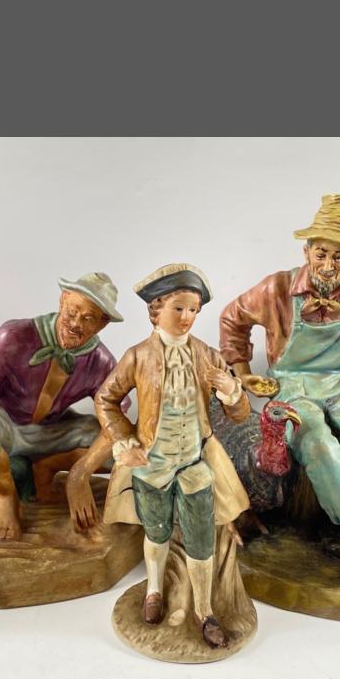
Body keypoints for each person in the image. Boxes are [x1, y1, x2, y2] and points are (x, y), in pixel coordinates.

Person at [219, 194, 340, 586]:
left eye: (338, 256)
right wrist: (242, 372)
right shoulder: (277, 288)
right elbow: (233, 319)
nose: (327, 265)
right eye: (320, 253)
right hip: (292, 384)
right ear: (306, 251)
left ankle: (338, 520)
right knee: (320, 445)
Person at [96, 264, 252, 649]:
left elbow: (240, 413)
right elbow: (106, 399)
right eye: (178, 308)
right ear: (156, 310)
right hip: (153, 464)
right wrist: (123, 439)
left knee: (201, 538)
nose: (187, 318)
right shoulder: (137, 356)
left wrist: (232, 390)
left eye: (193, 310)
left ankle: (205, 610)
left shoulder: (207, 356)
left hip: (195, 463)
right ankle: (153, 590)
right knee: (156, 531)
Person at [0, 273, 124, 540]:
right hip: (4, 423)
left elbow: (115, 418)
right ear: (62, 300)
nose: (75, 324)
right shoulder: (15, 334)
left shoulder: (101, 361)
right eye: (72, 312)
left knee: (121, 450)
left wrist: (80, 473)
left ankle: (46, 467)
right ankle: (4, 495)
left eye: (88, 319)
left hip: (52, 430)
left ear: (102, 324)